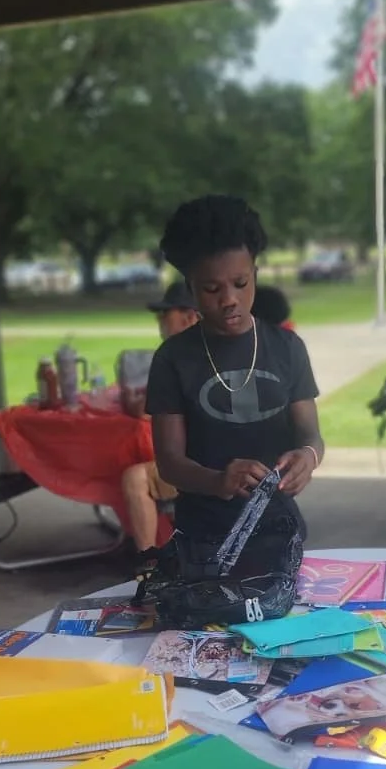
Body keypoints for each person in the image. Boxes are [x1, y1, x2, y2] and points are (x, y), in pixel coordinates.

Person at [145, 194, 324, 546]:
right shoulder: (173, 359)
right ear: (191, 290)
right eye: (212, 289)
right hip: (202, 538)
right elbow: (169, 463)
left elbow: (310, 434)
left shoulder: (287, 348)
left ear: (255, 276)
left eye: (240, 284)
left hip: (281, 531)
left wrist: (308, 456)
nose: (229, 299)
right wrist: (217, 481)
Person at [120, 281, 200, 556]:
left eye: (166, 314)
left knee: (135, 477)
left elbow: (144, 410)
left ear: (190, 317)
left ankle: (150, 562)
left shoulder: (175, 354)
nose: (160, 320)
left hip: (200, 463)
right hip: (211, 459)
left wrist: (133, 402)